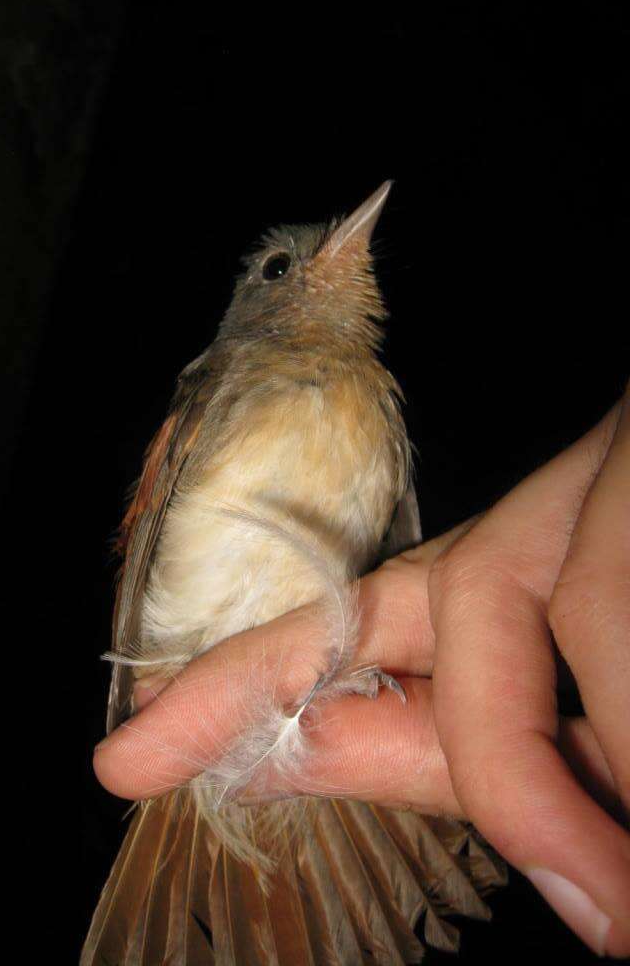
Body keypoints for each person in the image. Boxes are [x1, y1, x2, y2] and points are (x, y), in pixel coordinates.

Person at [94, 384, 630, 959]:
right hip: (209, 675)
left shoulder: (377, 416)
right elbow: (143, 556)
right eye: (275, 282)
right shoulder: (220, 393)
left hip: (324, 665)